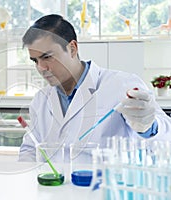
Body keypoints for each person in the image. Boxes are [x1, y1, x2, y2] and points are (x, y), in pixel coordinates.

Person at [19, 14, 171, 162]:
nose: (41, 67)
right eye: (35, 60)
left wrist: (149, 126)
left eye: (47, 57)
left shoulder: (122, 85)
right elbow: (30, 149)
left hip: (104, 185)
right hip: (55, 187)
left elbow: (166, 138)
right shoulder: (41, 99)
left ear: (72, 48)